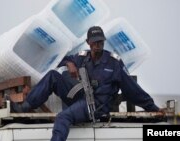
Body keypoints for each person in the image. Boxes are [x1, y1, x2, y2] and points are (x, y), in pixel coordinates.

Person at [10, 26, 161, 141]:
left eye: (100, 41)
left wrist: (153, 108)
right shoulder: (82, 57)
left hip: (96, 106)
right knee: (53, 76)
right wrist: (69, 63)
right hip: (80, 96)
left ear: (103, 41)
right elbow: (61, 59)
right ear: (88, 42)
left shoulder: (114, 62)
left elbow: (132, 90)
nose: (98, 44)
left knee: (63, 118)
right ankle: (24, 108)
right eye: (94, 41)